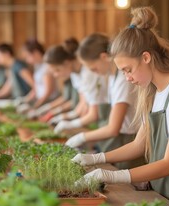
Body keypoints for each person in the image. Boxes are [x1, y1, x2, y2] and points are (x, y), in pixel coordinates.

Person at [72, 6, 169, 206]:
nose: (127, 78)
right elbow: (138, 145)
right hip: (162, 193)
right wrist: (96, 159)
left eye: (128, 70)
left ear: (146, 57)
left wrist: (115, 176)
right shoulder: (155, 93)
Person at [57, 33, 142, 169]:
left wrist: (81, 137)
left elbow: (113, 128)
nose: (94, 73)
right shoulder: (113, 77)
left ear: (103, 57)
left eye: (94, 68)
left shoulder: (122, 80)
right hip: (125, 137)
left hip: (130, 139)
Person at [29, 38, 90, 121]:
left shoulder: (85, 72)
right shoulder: (74, 75)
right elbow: (81, 102)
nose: (55, 75)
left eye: (57, 70)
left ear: (66, 63)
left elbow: (81, 103)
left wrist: (64, 116)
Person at [17, 39, 59, 111]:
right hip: (40, 100)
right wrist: (26, 100)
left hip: (48, 101)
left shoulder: (46, 66)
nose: (27, 60)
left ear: (36, 53)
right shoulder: (37, 66)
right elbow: (36, 87)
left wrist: (36, 106)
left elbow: (48, 91)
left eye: (28, 56)